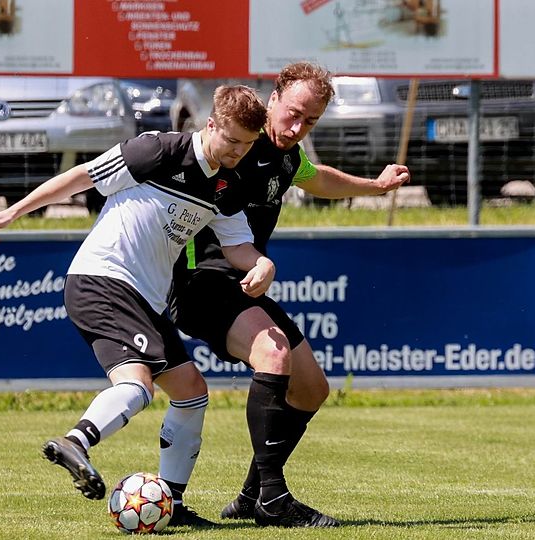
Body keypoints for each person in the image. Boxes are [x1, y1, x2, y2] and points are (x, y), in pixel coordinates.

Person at [0, 85, 271, 528]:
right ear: (210, 124)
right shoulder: (159, 150)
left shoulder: (229, 184)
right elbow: (82, 177)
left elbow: (237, 246)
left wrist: (262, 264)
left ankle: (171, 504)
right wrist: (12, 212)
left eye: (247, 145)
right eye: (231, 140)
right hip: (104, 278)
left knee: (191, 391)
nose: (237, 151)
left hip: (144, 299)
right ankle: (76, 442)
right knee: (137, 385)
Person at [169, 61, 410, 528]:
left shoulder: (286, 156)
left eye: (311, 121)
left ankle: (251, 496)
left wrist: (376, 187)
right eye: (294, 114)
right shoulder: (233, 143)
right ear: (273, 98)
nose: (298, 128)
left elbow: (317, 178)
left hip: (244, 285)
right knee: (273, 355)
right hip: (201, 284)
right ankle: (273, 498)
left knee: (311, 388)